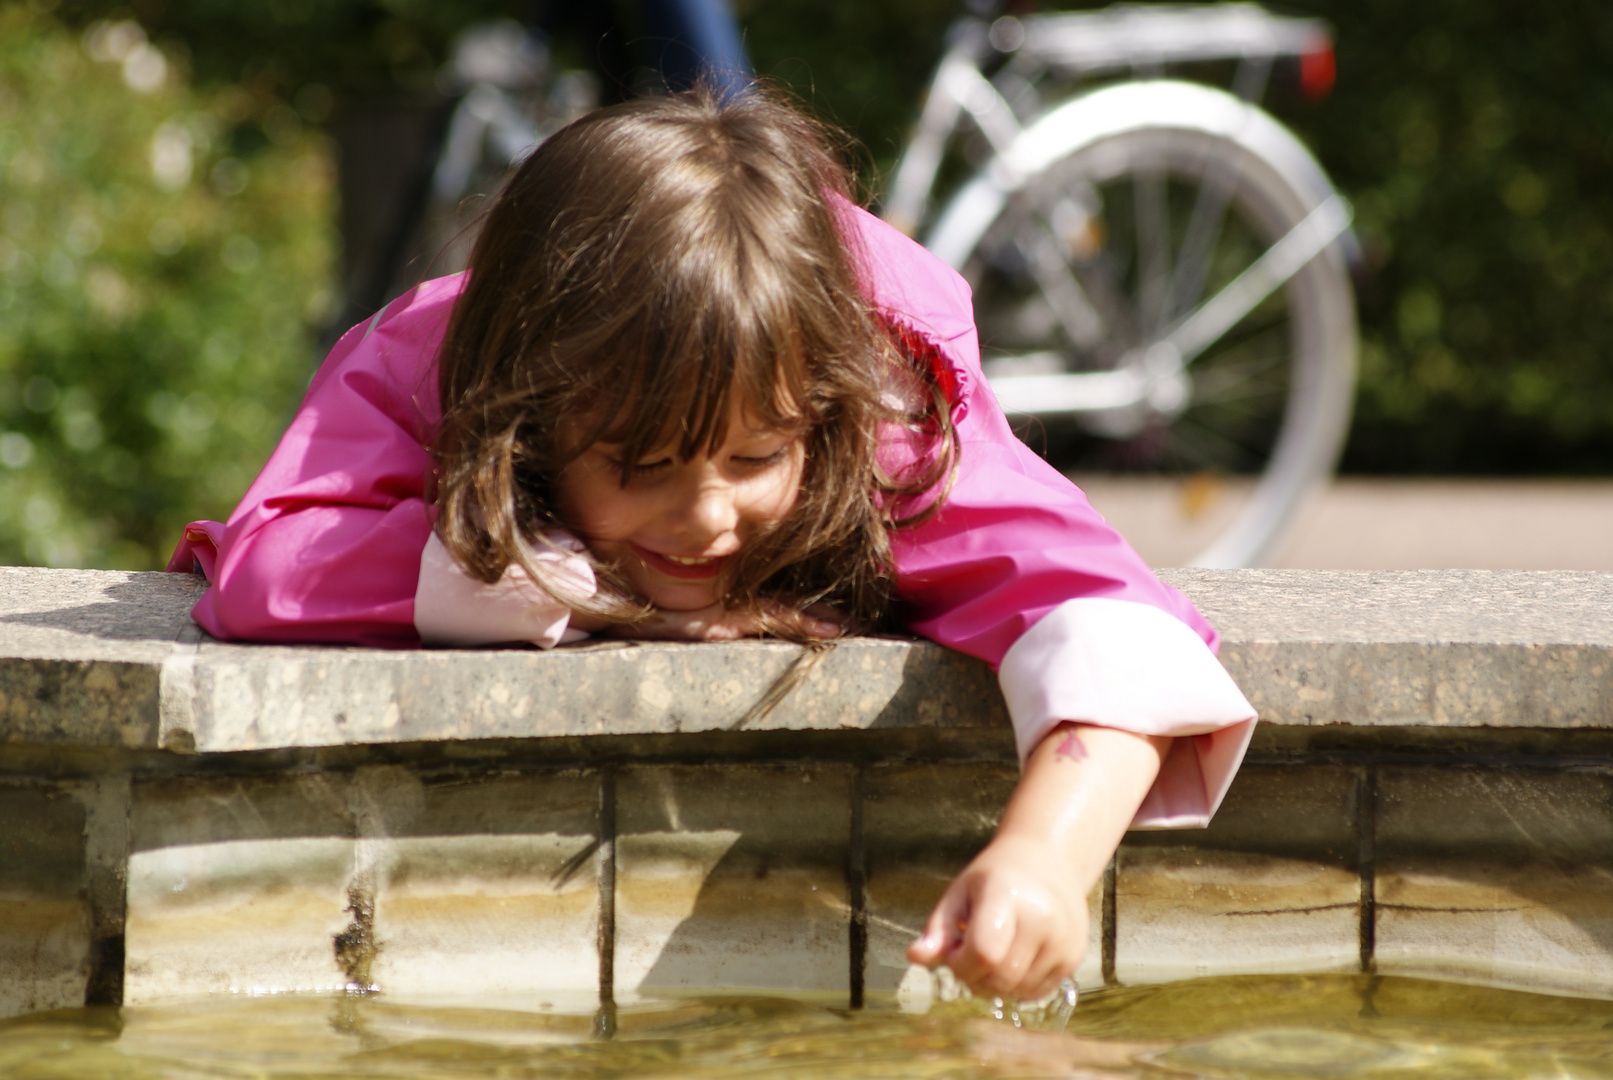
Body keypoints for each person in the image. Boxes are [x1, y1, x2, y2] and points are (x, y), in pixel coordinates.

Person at [167, 86, 1255, 1003]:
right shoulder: (436, 363)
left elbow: (1115, 625)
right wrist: (575, 586)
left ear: (814, 425)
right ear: (533, 422)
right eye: (638, 468)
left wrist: (1046, 857)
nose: (703, 518)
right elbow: (273, 560)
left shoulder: (883, 426)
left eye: (750, 462)